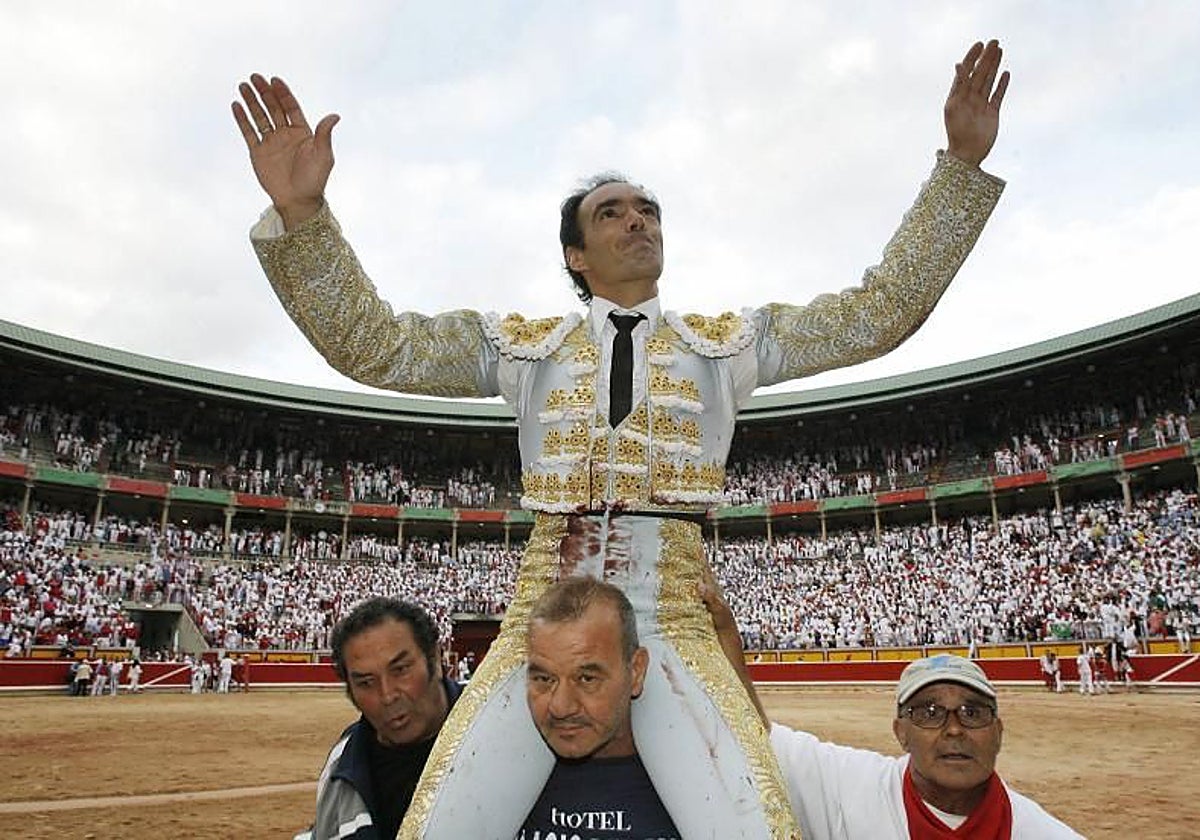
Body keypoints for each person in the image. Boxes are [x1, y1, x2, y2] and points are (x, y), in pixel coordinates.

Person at [234, 39, 1009, 839]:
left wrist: (958, 167)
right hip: (544, 604)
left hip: (671, 613)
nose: (637, 220)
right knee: (439, 830)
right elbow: (378, 347)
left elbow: (878, 313)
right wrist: (303, 218)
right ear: (576, 254)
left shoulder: (728, 342)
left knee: (758, 830)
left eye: (648, 210)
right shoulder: (521, 346)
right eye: (612, 212)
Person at [699, 575, 1083, 839]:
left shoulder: (1040, 831)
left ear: (998, 733)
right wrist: (726, 636)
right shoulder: (853, 786)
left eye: (973, 713)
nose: (954, 729)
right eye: (929, 713)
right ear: (900, 732)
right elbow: (757, 739)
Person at [518, 577, 679, 839]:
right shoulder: (497, 778)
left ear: (636, 671)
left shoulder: (698, 784)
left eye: (587, 679)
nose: (560, 707)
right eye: (543, 679)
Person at [295, 597, 461, 840]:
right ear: (350, 690)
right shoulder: (340, 764)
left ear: (435, 660)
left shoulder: (501, 733)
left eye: (401, 669)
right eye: (366, 683)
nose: (387, 695)